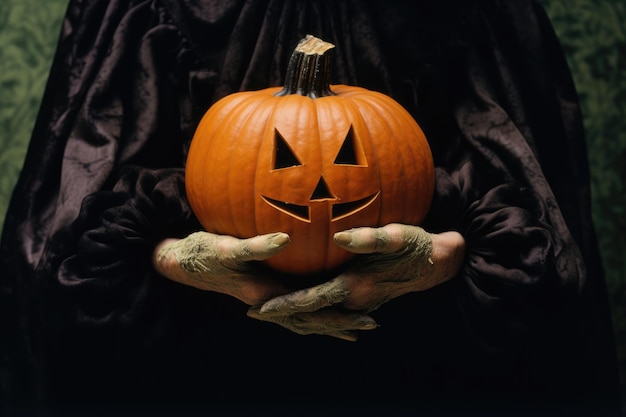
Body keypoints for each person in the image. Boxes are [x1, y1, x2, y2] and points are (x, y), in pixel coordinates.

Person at [0, 0, 620, 416]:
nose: (319, 189)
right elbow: (67, 226)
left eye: (342, 158)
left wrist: (442, 256)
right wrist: (169, 258)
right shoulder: (142, 11)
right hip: (192, 368)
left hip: (420, 367)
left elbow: (539, 229)